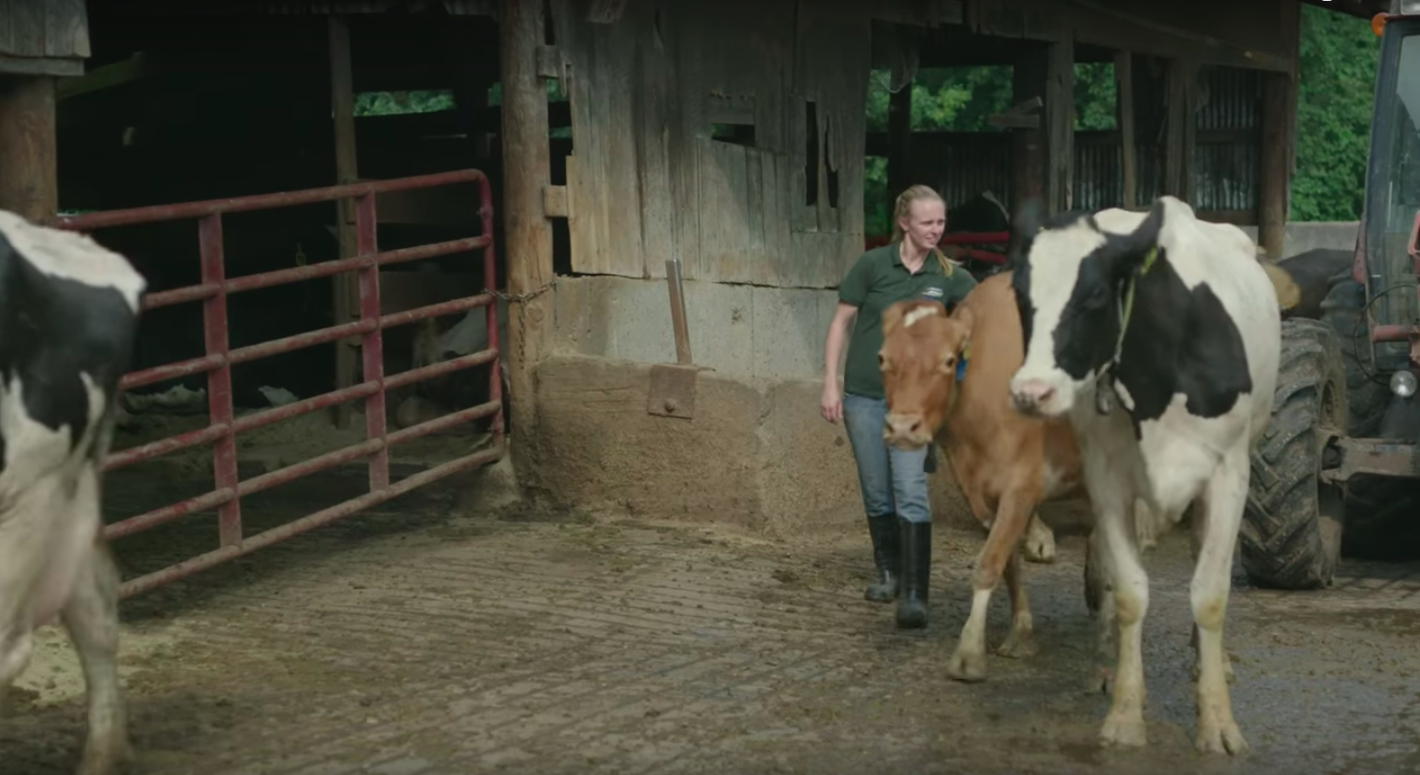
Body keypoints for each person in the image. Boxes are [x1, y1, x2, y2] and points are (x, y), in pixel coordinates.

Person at [820, 184, 978, 629]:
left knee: (910, 488)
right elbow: (840, 324)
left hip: (913, 406)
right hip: (865, 397)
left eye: (941, 222)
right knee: (876, 489)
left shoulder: (951, 276)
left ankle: (914, 593)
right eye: (927, 222)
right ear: (904, 222)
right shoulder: (872, 265)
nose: (936, 230)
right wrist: (830, 384)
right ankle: (888, 572)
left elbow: (975, 323)